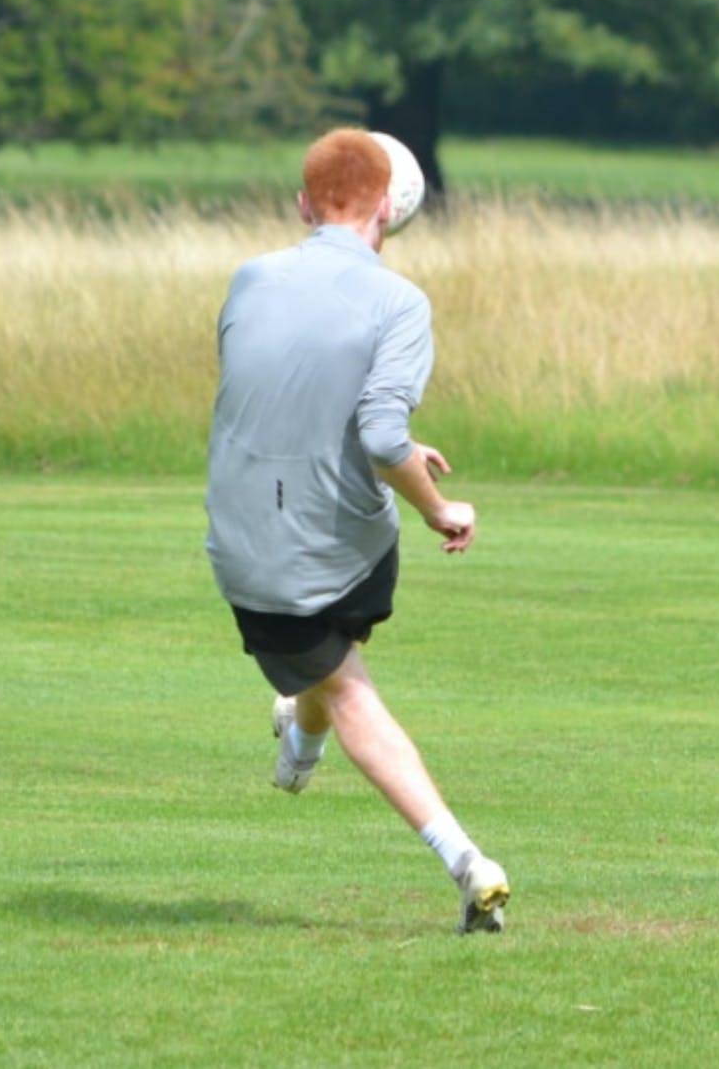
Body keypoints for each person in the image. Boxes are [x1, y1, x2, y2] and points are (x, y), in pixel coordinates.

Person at [205, 127, 510, 935]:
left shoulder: (248, 279)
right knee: (343, 682)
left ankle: (296, 749)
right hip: (336, 552)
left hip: (239, 546)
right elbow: (380, 439)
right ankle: (466, 861)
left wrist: (404, 453)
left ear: (303, 204)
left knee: (321, 654)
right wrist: (441, 507)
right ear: (388, 208)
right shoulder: (400, 302)